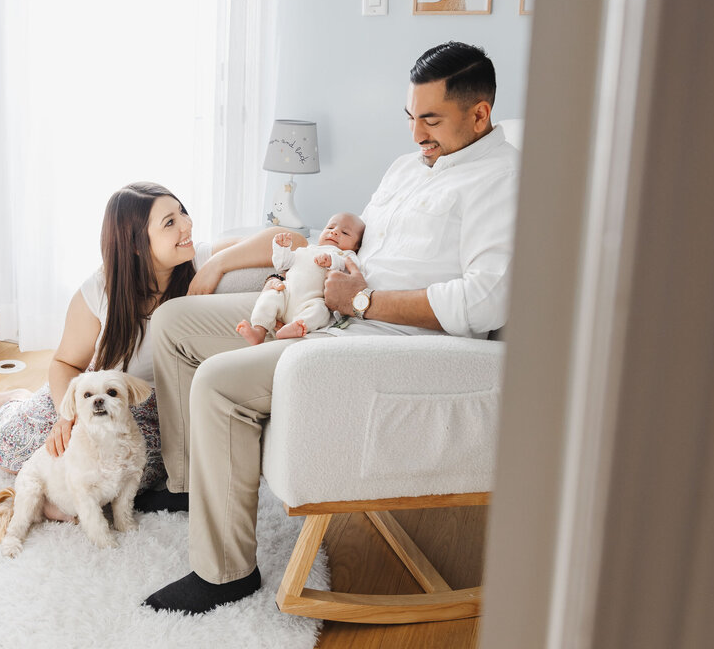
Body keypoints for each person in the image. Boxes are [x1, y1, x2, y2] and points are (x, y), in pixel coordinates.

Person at [141, 41, 521, 614]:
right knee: (174, 324)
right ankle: (187, 484)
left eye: (431, 120)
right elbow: (383, 240)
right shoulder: (409, 166)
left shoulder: (500, 181)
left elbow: (485, 301)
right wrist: (338, 246)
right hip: (332, 301)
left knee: (219, 382)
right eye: (411, 117)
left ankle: (224, 575)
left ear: (480, 114)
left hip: (383, 341)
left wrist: (365, 300)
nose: (416, 134)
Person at [0, 181, 290, 517]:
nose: (186, 225)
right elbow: (64, 362)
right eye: (170, 222)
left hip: (149, 409)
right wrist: (67, 416)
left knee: (114, 482)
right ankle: (12, 401)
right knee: (12, 449)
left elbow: (291, 240)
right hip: (92, 393)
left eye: (183, 213)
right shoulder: (99, 291)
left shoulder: (199, 258)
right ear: (135, 245)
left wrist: (215, 266)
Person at [235, 212, 365, 345]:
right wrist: (282, 248)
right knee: (269, 296)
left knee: (320, 312)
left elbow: (351, 267)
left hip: (312, 301)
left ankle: (296, 326)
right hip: (286, 295)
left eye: (345, 232)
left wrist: (332, 260)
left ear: (356, 246)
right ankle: (258, 330)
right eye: (330, 228)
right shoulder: (306, 250)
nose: (335, 232)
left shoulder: (345, 255)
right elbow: (282, 265)